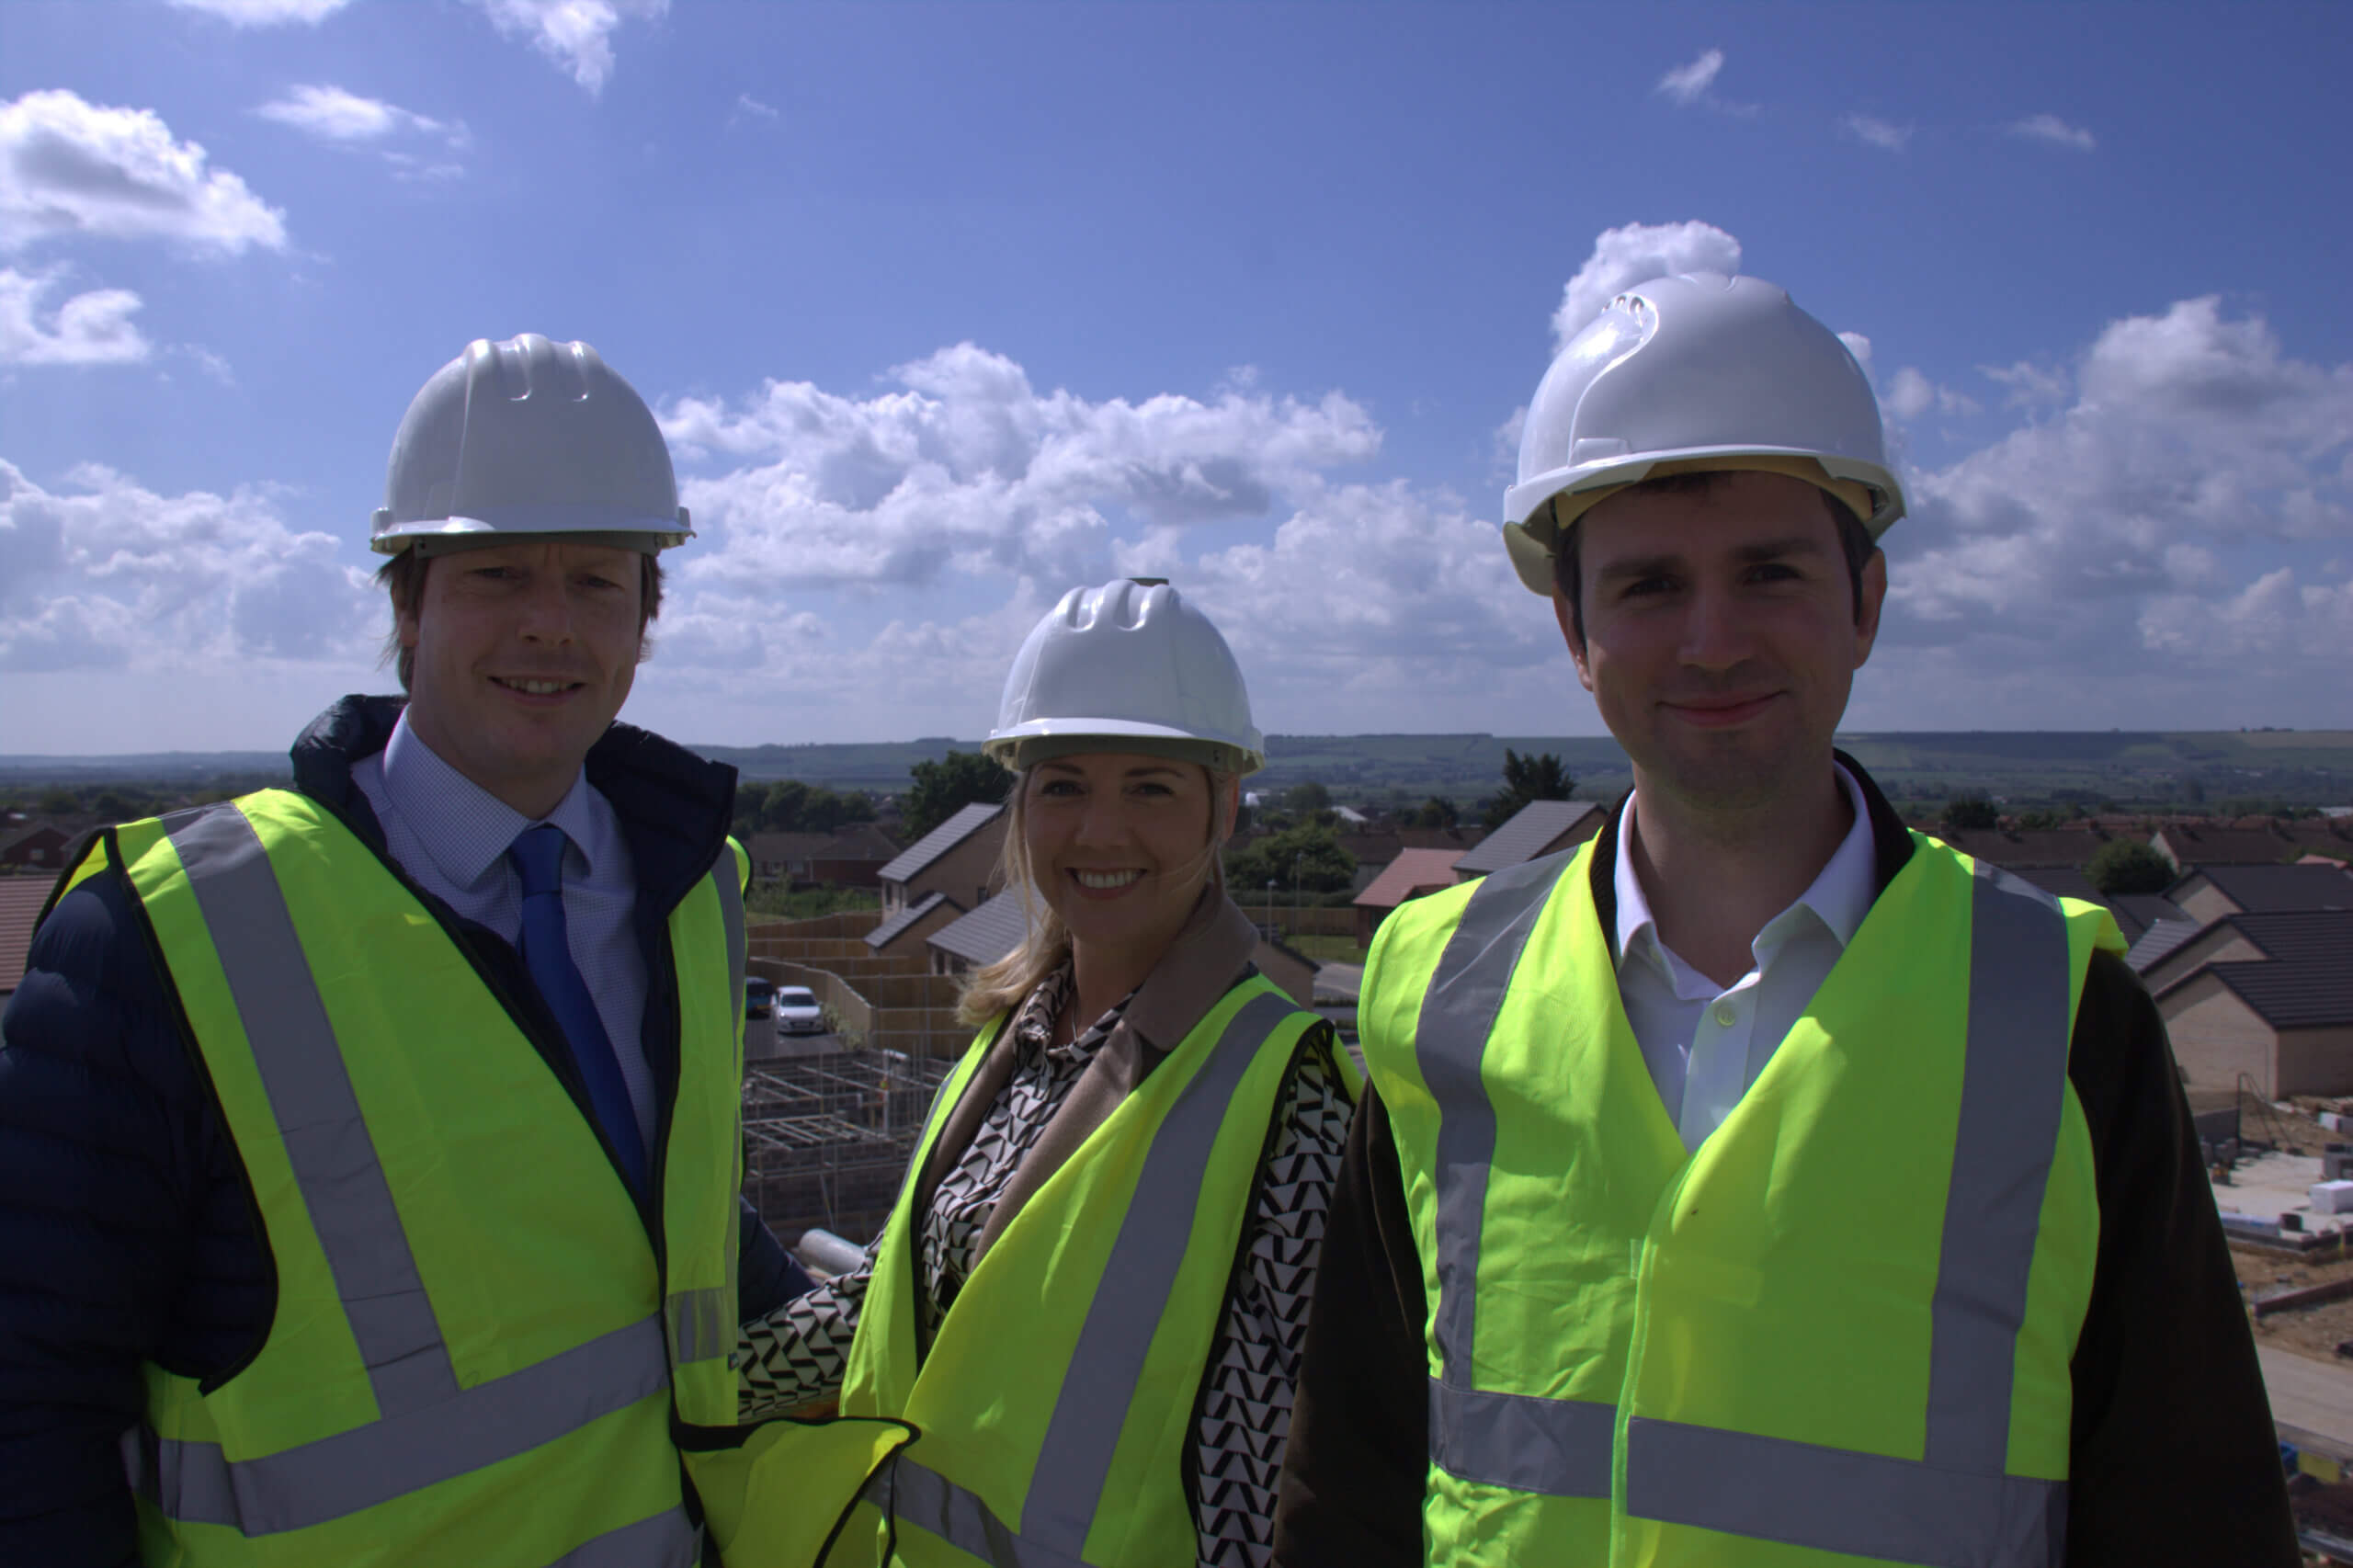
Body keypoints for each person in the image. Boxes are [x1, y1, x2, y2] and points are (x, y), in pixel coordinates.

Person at [1269, 274, 2297, 1566]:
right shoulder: (1438, 997)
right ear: (1573, 632)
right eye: (1648, 586)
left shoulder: (2061, 1017)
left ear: (1865, 604)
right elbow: (1348, 1489)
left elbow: (2195, 1524)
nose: (1711, 641)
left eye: (1769, 572)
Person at [0, 333, 821, 1565]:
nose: (551, 626)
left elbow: (659, 1224)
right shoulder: (165, 933)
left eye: (598, 581)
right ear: (407, 600)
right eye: (497, 575)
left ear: (646, 620)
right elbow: (30, 1399)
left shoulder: (694, 890)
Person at [733, 579, 1358, 1567]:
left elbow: (1262, 1485)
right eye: (1062, 783)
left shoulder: (1288, 1099)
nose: (1098, 832)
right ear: (1021, 805)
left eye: (1150, 785)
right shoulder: (1007, 1042)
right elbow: (894, 1297)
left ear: (1225, 806)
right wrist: (699, 1392)